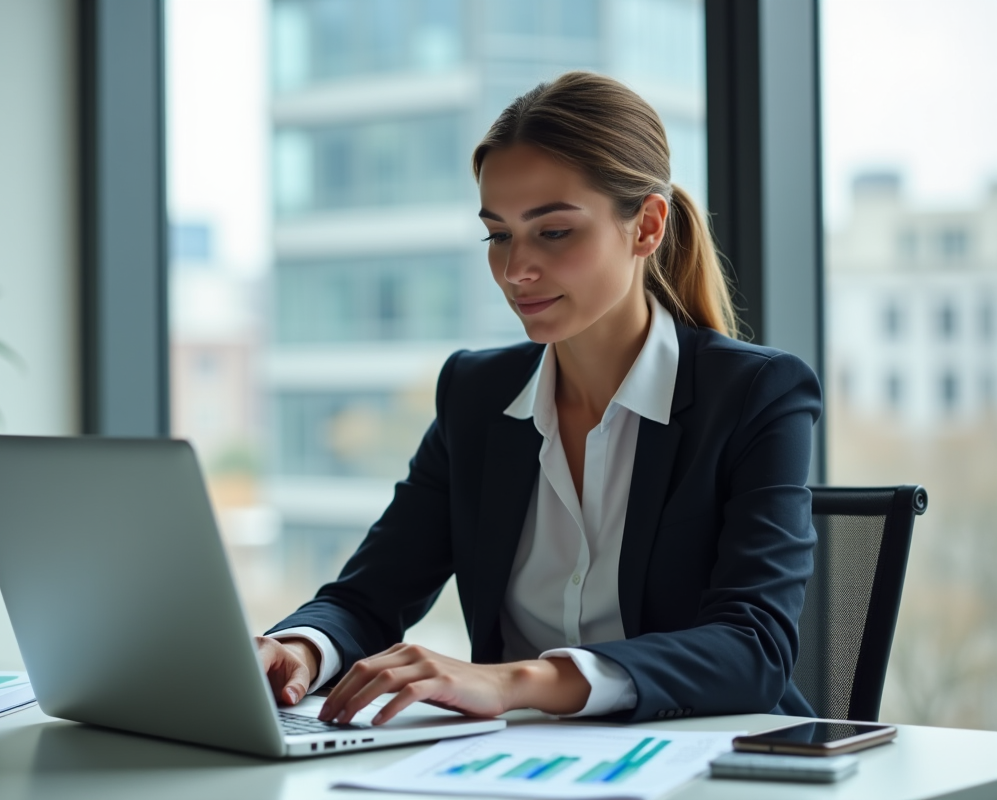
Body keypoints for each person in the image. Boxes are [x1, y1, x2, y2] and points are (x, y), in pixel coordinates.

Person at [254, 71, 821, 726]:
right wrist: (297, 649)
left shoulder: (754, 395)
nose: (515, 269)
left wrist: (514, 681)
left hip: (706, 764)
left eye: (553, 232)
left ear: (646, 227)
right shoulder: (476, 395)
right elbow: (369, 596)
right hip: (519, 768)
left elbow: (753, 649)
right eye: (498, 234)